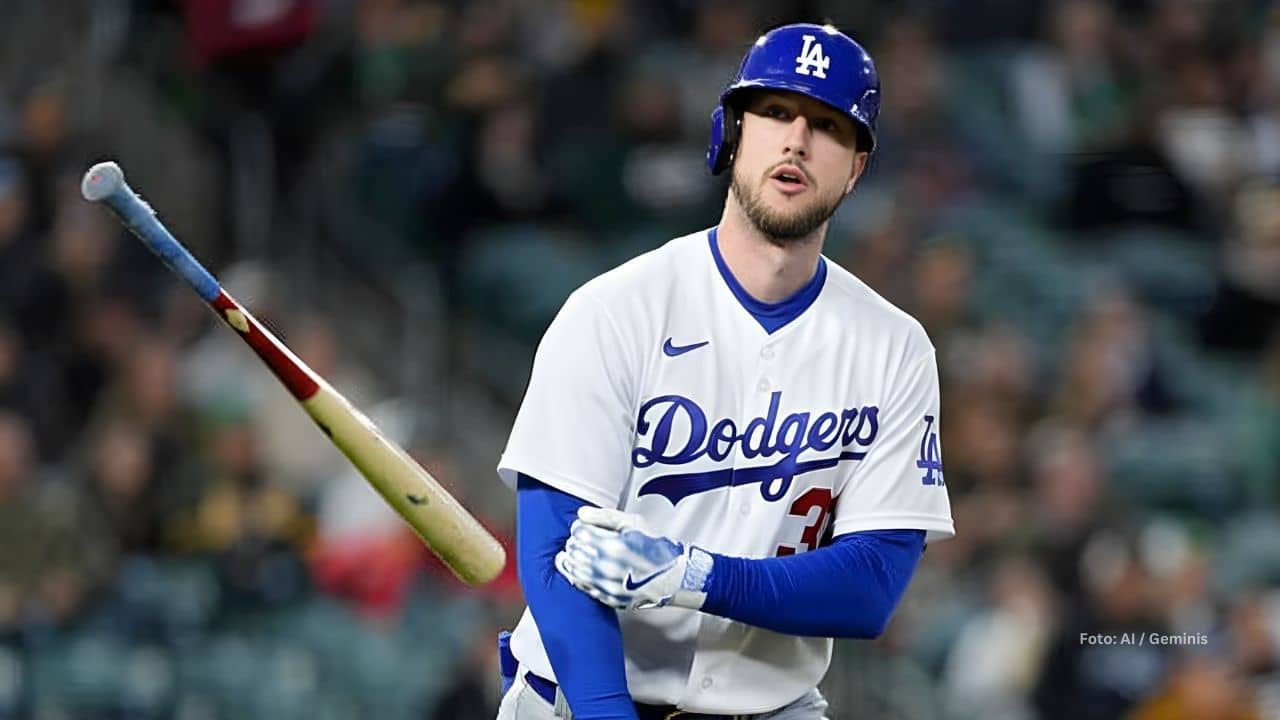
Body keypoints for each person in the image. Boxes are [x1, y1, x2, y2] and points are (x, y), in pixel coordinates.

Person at [495, 23, 955, 720]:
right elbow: (553, 559)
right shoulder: (615, 312)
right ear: (732, 132)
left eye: (828, 126)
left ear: (857, 168)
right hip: (579, 704)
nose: (797, 140)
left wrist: (696, 577)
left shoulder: (895, 348)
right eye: (775, 113)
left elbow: (871, 586)